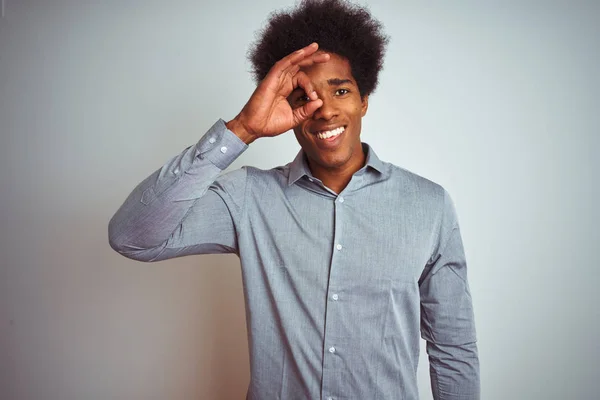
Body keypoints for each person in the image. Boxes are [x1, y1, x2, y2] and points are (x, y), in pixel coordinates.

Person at [108, 0, 480, 398]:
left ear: (364, 99)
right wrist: (242, 130)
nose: (325, 111)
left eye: (340, 90)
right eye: (306, 98)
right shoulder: (249, 197)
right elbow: (132, 236)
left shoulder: (429, 205)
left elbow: (452, 346)